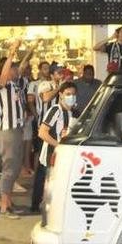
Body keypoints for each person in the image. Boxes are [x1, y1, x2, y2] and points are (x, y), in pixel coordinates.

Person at [0, 52, 31, 218]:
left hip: (18, 129)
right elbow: (4, 75)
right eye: (13, 70)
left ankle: (8, 202)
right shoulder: (3, 85)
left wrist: (29, 51)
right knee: (9, 168)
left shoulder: (17, 85)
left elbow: (23, 66)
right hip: (8, 130)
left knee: (14, 168)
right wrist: (11, 52)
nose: (16, 72)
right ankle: (4, 208)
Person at [34, 82, 77, 212]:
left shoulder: (73, 112)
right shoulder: (55, 111)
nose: (71, 97)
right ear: (61, 95)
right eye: (68, 94)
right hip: (52, 154)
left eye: (73, 94)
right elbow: (42, 133)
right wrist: (58, 145)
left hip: (64, 155)